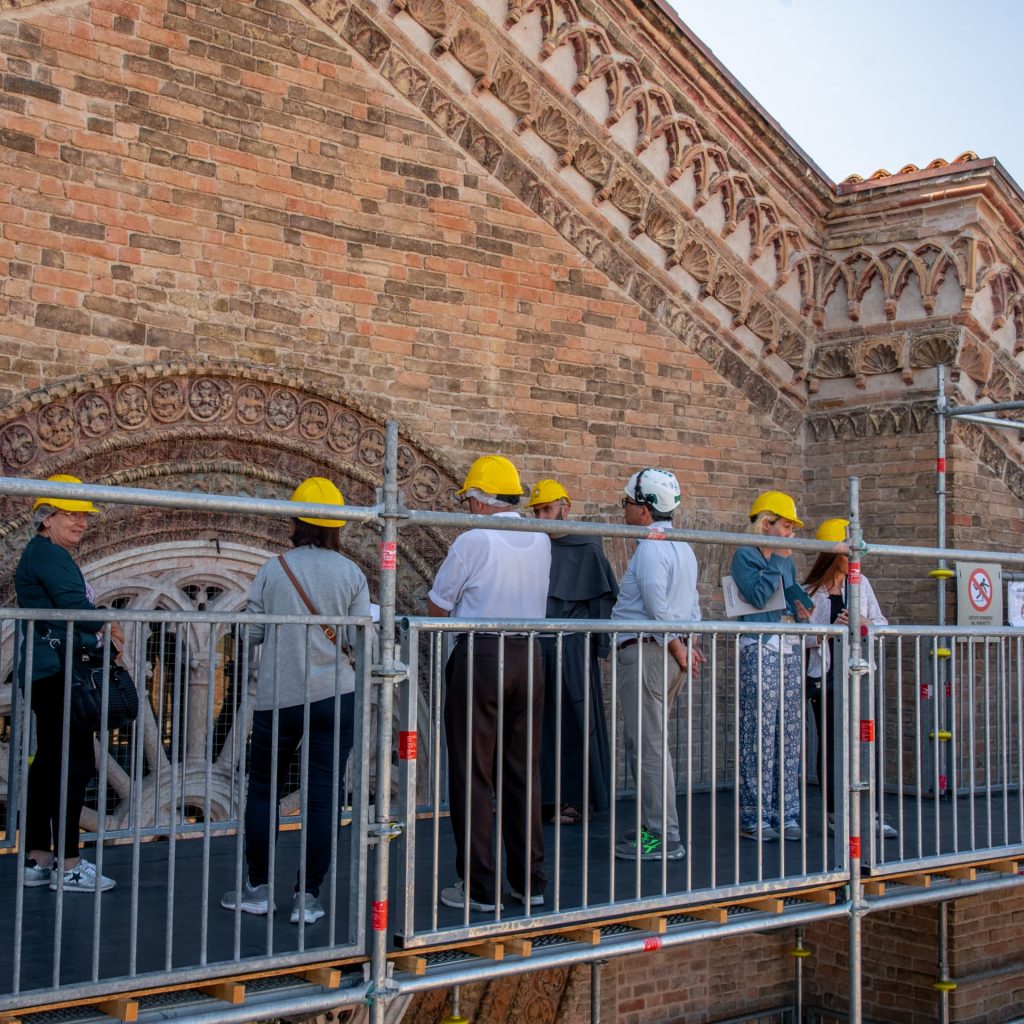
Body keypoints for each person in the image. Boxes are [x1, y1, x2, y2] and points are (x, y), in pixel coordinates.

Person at [221, 477, 370, 925]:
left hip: (278, 698)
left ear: (296, 520)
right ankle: (308, 897)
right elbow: (359, 638)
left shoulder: (274, 568)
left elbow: (253, 633)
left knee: (263, 790)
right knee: (324, 797)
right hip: (334, 695)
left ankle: (258, 889)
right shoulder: (351, 574)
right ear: (336, 527)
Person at [428, 455, 551, 912]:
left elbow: (438, 606)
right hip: (530, 656)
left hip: (481, 654)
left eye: (468, 502)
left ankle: (480, 887)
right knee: (523, 770)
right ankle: (529, 881)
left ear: (480, 502)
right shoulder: (538, 538)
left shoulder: (474, 539)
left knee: (474, 773)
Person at [16, 474, 121, 893]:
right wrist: (111, 626)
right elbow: (74, 608)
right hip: (59, 672)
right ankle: (70, 864)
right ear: (47, 518)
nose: (81, 522)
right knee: (74, 765)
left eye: (84, 515)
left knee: (49, 765)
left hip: (49, 670)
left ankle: (38, 859)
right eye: (71, 514)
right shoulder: (49, 557)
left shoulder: (43, 553)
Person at [611, 468, 702, 862]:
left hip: (650, 652)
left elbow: (655, 604)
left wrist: (679, 645)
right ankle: (656, 828)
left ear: (645, 510)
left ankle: (663, 836)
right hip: (664, 653)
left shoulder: (651, 547)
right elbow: (692, 604)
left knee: (648, 746)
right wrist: (688, 643)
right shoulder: (683, 546)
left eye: (629, 503)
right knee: (649, 744)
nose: (625, 510)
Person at [527, 479, 617, 825]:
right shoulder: (534, 547)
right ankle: (541, 797)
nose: (541, 516)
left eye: (546, 509)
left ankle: (574, 800)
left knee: (575, 723)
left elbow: (601, 601)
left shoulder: (588, 548)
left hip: (575, 650)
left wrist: (599, 646)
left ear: (565, 506)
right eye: (536, 511)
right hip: (538, 644)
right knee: (539, 724)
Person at [804, 518, 895, 838]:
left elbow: (881, 625)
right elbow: (801, 637)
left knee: (863, 743)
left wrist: (861, 620)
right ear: (833, 552)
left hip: (858, 676)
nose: (855, 557)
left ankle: (867, 813)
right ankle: (833, 814)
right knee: (830, 746)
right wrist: (827, 634)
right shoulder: (811, 591)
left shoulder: (863, 584)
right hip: (826, 678)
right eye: (848, 551)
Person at [731, 490, 811, 842]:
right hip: (759, 646)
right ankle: (755, 814)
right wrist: (778, 559)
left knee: (789, 733)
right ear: (767, 525)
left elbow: (789, 594)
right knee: (758, 734)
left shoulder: (786, 561)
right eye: (786, 527)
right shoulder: (744, 556)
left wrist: (803, 610)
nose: (791, 534)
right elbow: (759, 596)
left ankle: (786, 811)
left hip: (787, 647)